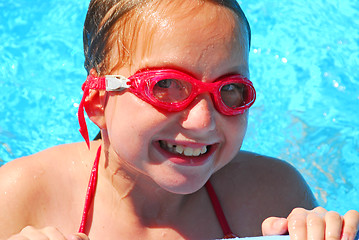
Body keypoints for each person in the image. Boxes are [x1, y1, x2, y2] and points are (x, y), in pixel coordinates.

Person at [0, 0, 358, 239]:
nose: (203, 121)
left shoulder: (274, 196)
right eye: (166, 86)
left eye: (230, 90)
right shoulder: (21, 199)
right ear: (97, 102)